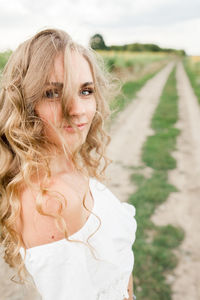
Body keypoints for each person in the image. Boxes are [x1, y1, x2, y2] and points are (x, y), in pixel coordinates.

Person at [0, 28, 137, 300]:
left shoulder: (62, 164)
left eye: (86, 91)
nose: (77, 110)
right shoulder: (50, 202)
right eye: (52, 93)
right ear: (25, 103)